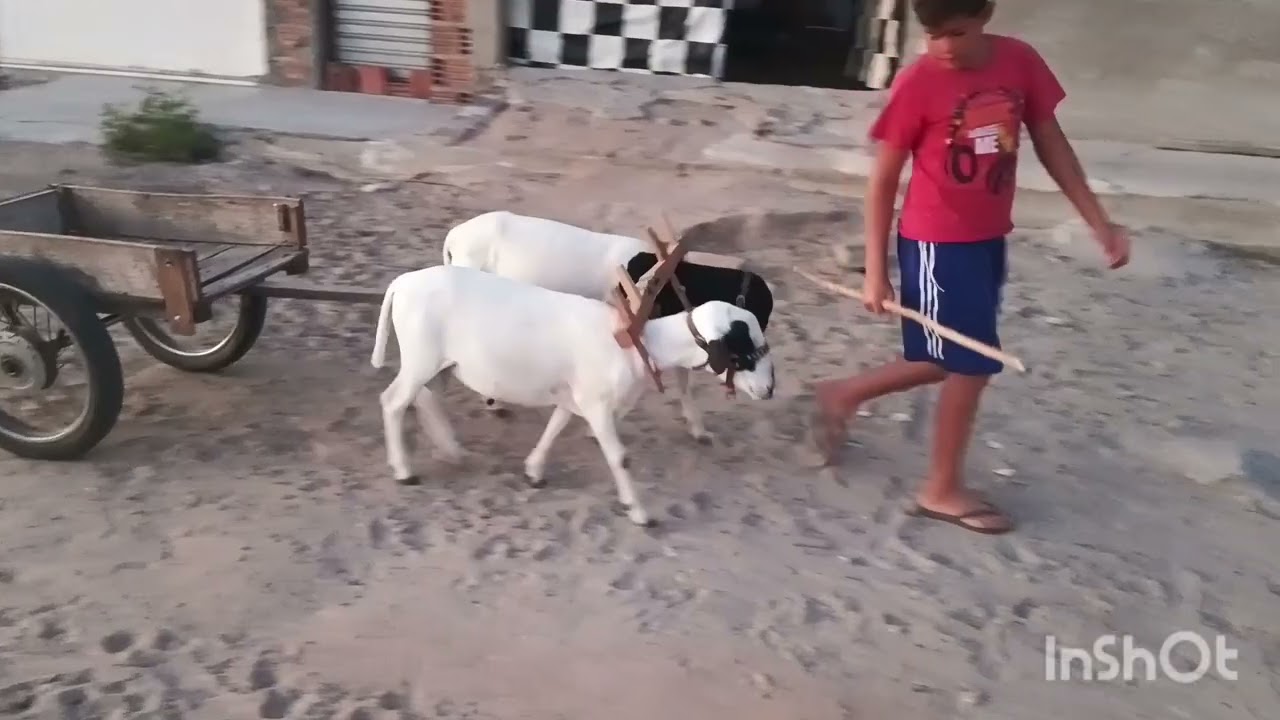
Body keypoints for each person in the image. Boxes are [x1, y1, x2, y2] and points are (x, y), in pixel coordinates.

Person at [810, 0, 1130, 534]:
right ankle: (940, 487)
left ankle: (843, 393)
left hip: (988, 239)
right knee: (972, 363)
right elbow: (883, 179)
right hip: (937, 242)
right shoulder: (917, 83)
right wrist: (875, 268)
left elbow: (1052, 143)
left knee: (946, 358)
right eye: (932, 35)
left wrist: (1100, 222)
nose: (943, 48)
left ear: (985, 13)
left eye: (956, 33)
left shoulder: (1019, 62)